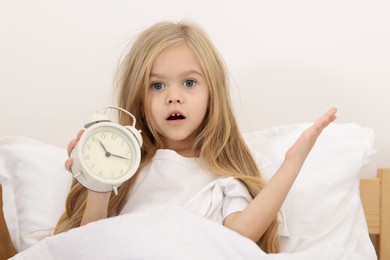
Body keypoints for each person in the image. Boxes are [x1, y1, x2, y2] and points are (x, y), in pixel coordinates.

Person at [54, 21, 337, 253]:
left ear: (211, 94)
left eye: (189, 83)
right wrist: (98, 183)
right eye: (157, 85)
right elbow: (88, 247)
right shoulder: (127, 170)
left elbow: (241, 234)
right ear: (139, 99)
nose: (173, 97)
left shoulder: (222, 177)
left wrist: (292, 162)